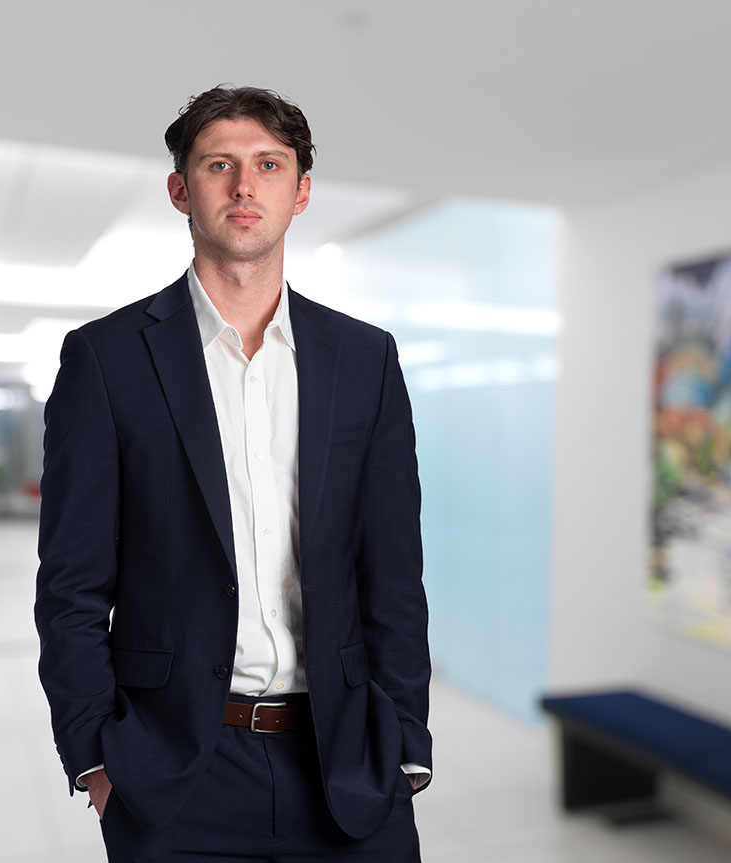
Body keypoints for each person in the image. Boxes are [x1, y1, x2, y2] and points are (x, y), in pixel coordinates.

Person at [35, 84, 431, 862]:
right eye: (219, 165)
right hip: (174, 772)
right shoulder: (107, 361)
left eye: (269, 165)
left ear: (301, 191)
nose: (245, 186)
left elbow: (392, 571)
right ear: (182, 188)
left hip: (345, 764)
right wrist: (96, 755)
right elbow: (72, 584)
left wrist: (405, 744)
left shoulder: (365, 360)